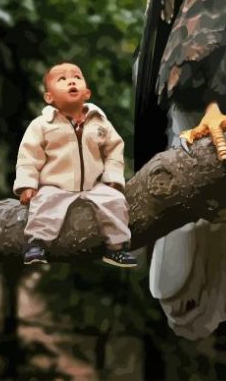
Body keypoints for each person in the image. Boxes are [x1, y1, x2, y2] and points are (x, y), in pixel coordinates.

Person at [13, 61, 137, 268]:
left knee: (115, 202)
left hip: (93, 184)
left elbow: (114, 150)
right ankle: (36, 243)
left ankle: (117, 247)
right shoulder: (42, 125)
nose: (71, 81)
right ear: (49, 97)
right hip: (55, 184)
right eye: (62, 79)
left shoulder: (100, 122)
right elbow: (28, 156)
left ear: (87, 93)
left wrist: (113, 178)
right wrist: (27, 185)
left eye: (77, 77)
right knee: (44, 205)